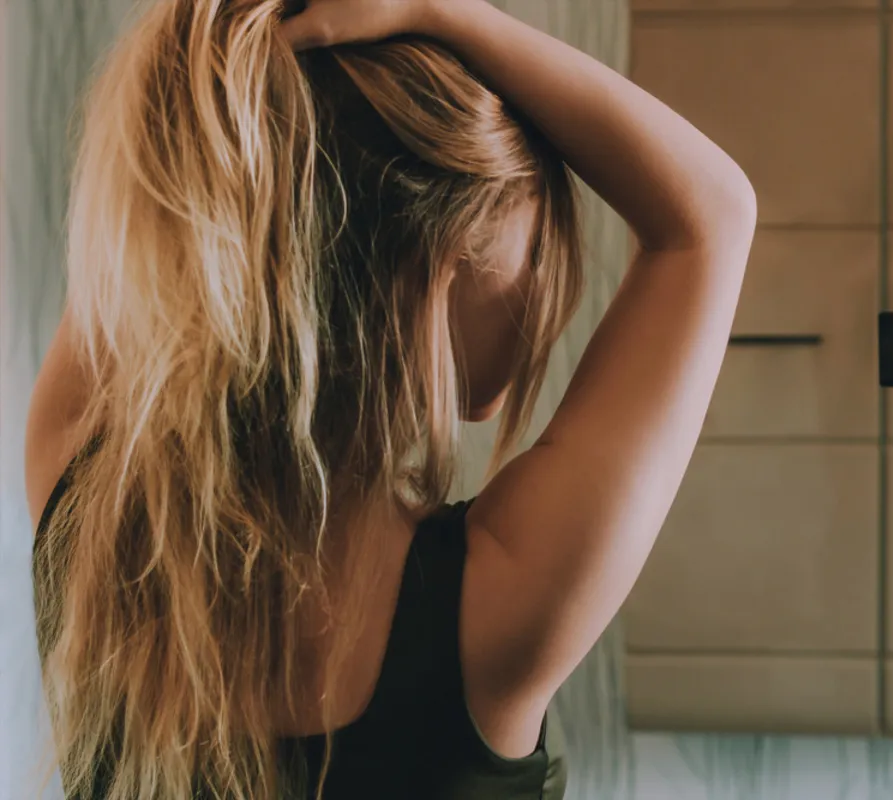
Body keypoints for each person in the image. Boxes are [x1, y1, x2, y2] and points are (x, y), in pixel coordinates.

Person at [23, 0, 757, 797]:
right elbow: (709, 219)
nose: (547, 286)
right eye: (536, 247)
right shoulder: (495, 607)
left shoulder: (82, 510)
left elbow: (159, 204)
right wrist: (442, 11)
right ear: (437, 263)